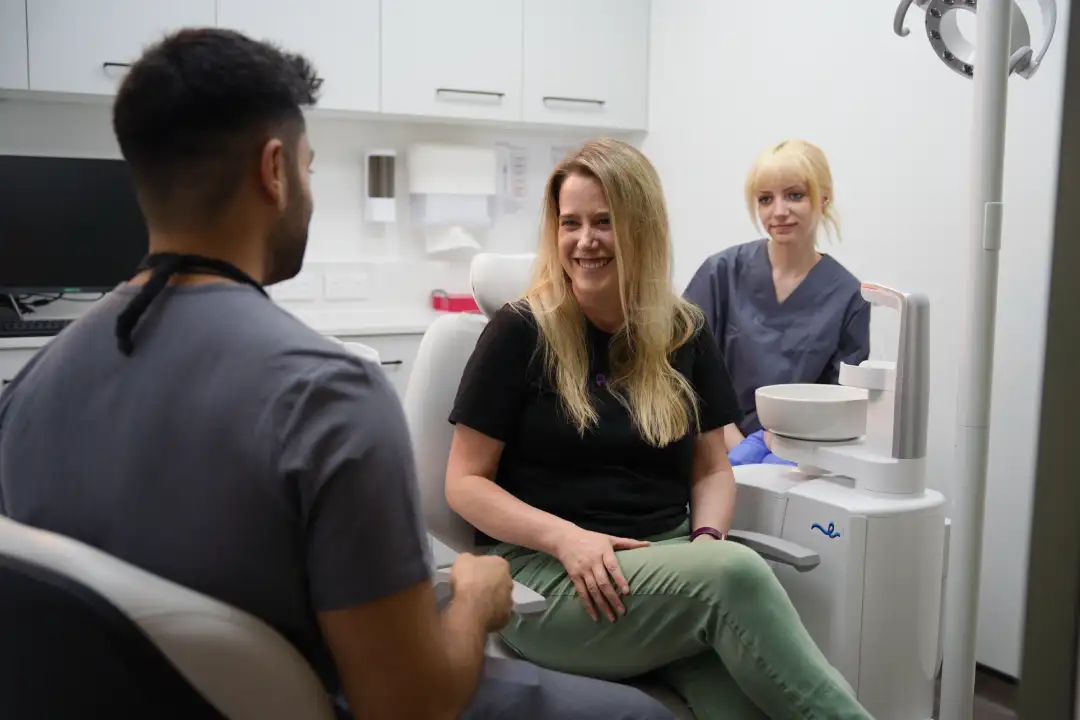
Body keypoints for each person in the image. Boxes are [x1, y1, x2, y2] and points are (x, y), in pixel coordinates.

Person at [0, 29, 673, 720]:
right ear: (274, 170)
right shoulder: (326, 395)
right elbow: (411, 704)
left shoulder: (30, 387)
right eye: (310, 167)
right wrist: (475, 599)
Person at [444, 138, 873, 719]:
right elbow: (464, 482)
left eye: (604, 221)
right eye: (570, 223)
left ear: (641, 226)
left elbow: (712, 468)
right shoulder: (520, 332)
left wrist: (705, 545)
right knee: (737, 575)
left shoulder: (682, 331)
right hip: (551, 583)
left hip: (666, 576)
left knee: (742, 706)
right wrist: (566, 538)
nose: (585, 240)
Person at [683, 140, 871, 463]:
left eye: (795, 195)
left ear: (823, 198)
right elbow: (684, 373)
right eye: (765, 199)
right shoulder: (720, 274)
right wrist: (737, 448)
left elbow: (840, 405)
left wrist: (776, 455)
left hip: (798, 464)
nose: (778, 212)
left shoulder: (849, 296)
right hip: (711, 453)